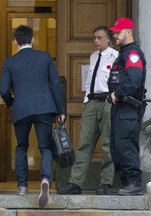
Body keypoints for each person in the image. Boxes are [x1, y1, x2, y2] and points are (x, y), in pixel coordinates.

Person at [0, 25, 66, 208]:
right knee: (45, 147)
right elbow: (55, 85)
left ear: (15, 41)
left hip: (21, 109)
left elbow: (3, 89)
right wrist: (61, 111)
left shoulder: (10, 62)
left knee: (21, 147)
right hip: (45, 107)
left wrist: (12, 103)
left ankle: (22, 186)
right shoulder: (44, 57)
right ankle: (45, 180)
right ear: (32, 40)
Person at [57, 26, 118, 195]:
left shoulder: (116, 57)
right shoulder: (93, 57)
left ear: (108, 39)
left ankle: (106, 183)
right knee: (84, 143)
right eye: (94, 38)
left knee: (107, 144)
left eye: (99, 38)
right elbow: (90, 80)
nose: (96, 41)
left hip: (107, 102)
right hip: (91, 102)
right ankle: (75, 183)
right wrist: (85, 101)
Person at [107, 17, 146, 196]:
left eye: (118, 32)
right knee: (117, 146)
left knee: (125, 145)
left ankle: (134, 183)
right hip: (120, 108)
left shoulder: (133, 54)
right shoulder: (123, 53)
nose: (115, 35)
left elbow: (134, 80)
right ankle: (125, 183)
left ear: (128, 32)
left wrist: (118, 93)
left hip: (128, 107)